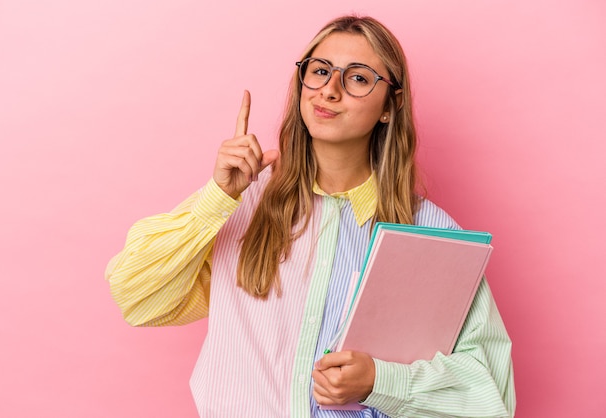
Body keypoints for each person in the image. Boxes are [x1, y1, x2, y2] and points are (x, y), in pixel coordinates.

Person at [106, 15, 515, 418]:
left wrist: (380, 382)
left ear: (391, 105)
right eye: (319, 71)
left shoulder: (430, 234)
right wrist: (217, 199)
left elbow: (491, 399)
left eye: (357, 78)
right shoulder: (242, 203)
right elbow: (135, 297)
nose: (330, 90)